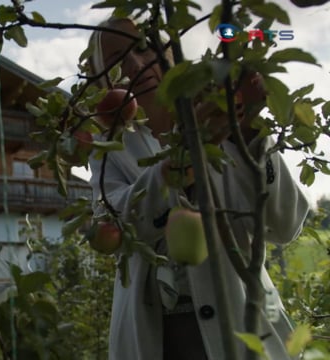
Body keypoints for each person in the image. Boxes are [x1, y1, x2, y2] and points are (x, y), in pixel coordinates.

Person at [86, 17, 310, 359]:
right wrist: (171, 169)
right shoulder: (108, 147)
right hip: (159, 334)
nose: (135, 64)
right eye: (117, 58)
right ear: (102, 79)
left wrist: (250, 136)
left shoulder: (225, 119)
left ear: (168, 57)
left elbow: (285, 225)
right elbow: (114, 226)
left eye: (145, 49)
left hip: (239, 322)